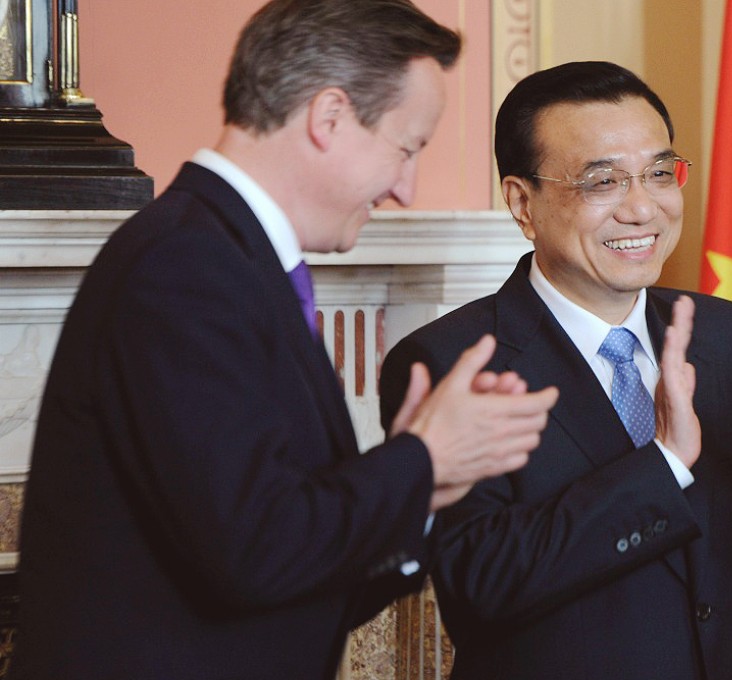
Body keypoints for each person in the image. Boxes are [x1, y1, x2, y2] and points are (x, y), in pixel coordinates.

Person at [11, 1, 557, 679]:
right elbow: (252, 552)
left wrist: (424, 484)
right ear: (328, 117)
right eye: (407, 148)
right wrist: (420, 460)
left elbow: (287, 563)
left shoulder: (226, 260)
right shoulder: (185, 269)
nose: (406, 189)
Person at [379, 61, 732, 679]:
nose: (643, 209)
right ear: (522, 202)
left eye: (661, 174)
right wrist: (663, 464)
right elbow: (480, 589)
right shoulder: (452, 361)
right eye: (603, 182)